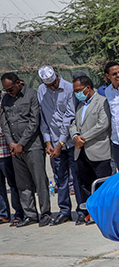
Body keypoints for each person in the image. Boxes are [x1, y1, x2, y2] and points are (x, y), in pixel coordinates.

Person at [0, 72, 51, 227]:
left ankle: (45, 213)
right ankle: (30, 215)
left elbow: (34, 121)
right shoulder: (6, 100)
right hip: (15, 149)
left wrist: (21, 143)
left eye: (10, 89)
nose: (9, 92)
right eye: (6, 90)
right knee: (23, 184)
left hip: (33, 146)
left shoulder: (31, 95)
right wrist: (12, 144)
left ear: (18, 83)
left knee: (39, 181)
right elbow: (5, 124)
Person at [36, 66, 81, 226]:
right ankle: (64, 211)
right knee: (60, 179)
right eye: (49, 86)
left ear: (56, 76)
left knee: (77, 177)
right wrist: (48, 142)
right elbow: (44, 118)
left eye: (54, 83)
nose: (53, 87)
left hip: (69, 142)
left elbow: (69, 116)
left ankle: (82, 210)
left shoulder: (69, 88)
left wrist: (60, 144)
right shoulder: (42, 90)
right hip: (54, 143)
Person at [69, 75, 112, 226]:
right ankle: (91, 213)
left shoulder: (102, 101)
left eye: (79, 90)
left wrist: (83, 138)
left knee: (102, 184)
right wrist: (75, 136)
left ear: (88, 88)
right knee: (85, 184)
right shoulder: (80, 105)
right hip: (81, 151)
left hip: (98, 150)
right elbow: (73, 123)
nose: (77, 93)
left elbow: (103, 124)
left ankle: (105, 214)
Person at [0, 132, 24, 225]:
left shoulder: (3, 117)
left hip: (6, 154)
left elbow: (6, 132)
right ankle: (4, 214)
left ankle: (19, 213)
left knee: (13, 185)